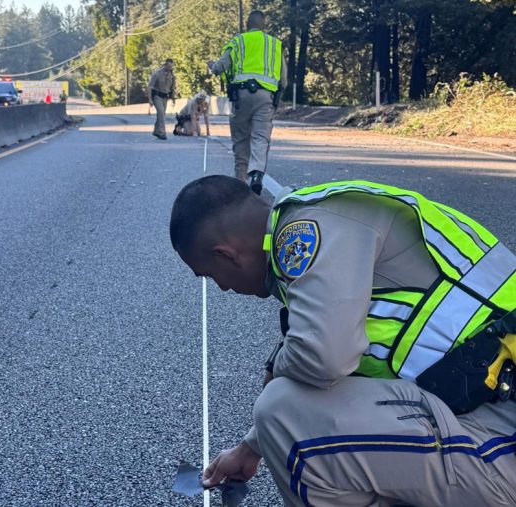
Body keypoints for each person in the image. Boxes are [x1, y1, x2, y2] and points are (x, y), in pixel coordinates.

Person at [169, 175, 516, 506]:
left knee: (280, 410)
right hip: (489, 413)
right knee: (296, 400)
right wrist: (249, 448)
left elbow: (322, 358)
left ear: (226, 254)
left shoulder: (303, 232)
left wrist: (279, 366)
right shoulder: (326, 217)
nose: (223, 288)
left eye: (211, 276)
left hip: (500, 439)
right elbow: (339, 365)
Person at [207, 10, 286, 195]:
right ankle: (257, 173)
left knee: (241, 139)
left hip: (241, 96)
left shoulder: (238, 41)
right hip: (265, 97)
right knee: (260, 137)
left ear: (247, 25)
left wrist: (211, 65)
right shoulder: (274, 44)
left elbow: (220, 68)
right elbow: (283, 80)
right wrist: (276, 100)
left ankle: (240, 183)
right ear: (264, 26)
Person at [148, 59, 176, 140]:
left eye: (171, 66)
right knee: (161, 113)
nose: (170, 68)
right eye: (169, 66)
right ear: (165, 65)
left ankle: (156, 131)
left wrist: (173, 98)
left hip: (165, 97)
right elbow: (149, 86)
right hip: (157, 96)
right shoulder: (157, 74)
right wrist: (150, 99)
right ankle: (162, 132)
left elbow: (172, 88)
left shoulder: (172, 76)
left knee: (161, 114)